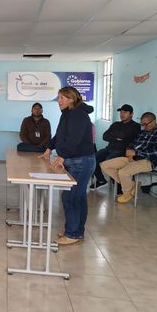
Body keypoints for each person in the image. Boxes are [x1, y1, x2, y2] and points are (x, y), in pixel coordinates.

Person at [42, 87, 96, 246]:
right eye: (58, 97)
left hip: (81, 162)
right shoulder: (68, 113)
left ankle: (72, 233)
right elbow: (60, 135)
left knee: (71, 197)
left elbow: (74, 139)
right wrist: (49, 147)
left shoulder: (78, 114)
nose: (59, 101)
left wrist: (61, 156)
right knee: (78, 197)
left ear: (72, 99)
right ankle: (77, 231)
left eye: (63, 98)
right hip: (76, 160)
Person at [100, 112, 157, 204]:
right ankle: (131, 185)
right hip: (132, 158)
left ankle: (127, 193)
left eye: (146, 124)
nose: (144, 127)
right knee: (105, 165)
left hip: (147, 161)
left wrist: (137, 153)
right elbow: (132, 144)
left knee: (122, 172)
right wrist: (129, 150)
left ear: (154, 121)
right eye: (142, 124)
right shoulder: (142, 133)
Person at [91, 104, 141, 188]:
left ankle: (119, 185)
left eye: (125, 112)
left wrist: (117, 136)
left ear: (131, 114)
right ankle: (101, 180)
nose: (122, 114)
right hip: (109, 149)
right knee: (93, 159)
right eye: (121, 112)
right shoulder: (116, 124)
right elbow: (105, 136)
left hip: (122, 151)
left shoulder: (135, 126)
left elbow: (133, 141)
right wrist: (117, 137)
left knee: (109, 162)